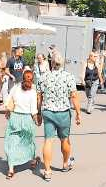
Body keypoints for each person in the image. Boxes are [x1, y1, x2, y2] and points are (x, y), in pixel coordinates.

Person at [37, 52, 81, 182]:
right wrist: (78, 113)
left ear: (51, 63)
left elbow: (39, 97)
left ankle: (47, 171)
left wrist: (38, 113)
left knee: (48, 140)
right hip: (63, 112)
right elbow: (74, 96)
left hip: (48, 112)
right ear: (62, 63)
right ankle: (65, 163)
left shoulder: (43, 77)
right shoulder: (69, 77)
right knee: (65, 139)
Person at [4, 70, 41, 180]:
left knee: (12, 142)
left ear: (23, 77)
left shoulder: (15, 87)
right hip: (27, 119)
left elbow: (8, 100)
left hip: (15, 117)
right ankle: (33, 161)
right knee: (29, 141)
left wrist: (8, 111)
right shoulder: (33, 92)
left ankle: (11, 169)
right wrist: (37, 121)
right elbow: (34, 110)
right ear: (32, 79)